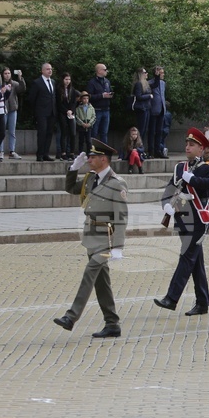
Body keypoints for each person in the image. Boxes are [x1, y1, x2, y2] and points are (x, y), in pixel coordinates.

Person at [53, 140, 128, 338]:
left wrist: (118, 246)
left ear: (103, 159)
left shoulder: (117, 183)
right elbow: (71, 188)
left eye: (93, 157)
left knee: (90, 272)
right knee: (101, 282)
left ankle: (71, 316)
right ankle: (112, 323)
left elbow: (121, 217)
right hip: (91, 235)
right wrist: (72, 169)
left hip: (107, 238)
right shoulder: (90, 178)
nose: (89, 160)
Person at [153, 128, 209, 316]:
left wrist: (194, 179)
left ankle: (172, 298)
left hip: (199, 221)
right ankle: (202, 302)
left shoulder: (207, 167)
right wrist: (166, 206)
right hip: (183, 220)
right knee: (195, 261)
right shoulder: (179, 168)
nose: (187, 147)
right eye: (186, 144)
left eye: (192, 145)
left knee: (186, 257)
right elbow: (169, 190)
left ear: (201, 149)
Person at [28, 62, 56, 161]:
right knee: (42, 133)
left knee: (49, 133)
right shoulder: (37, 82)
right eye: (48, 69)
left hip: (51, 112)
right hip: (41, 113)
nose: (50, 71)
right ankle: (39, 154)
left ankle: (45, 154)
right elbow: (32, 98)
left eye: (51, 69)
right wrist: (36, 112)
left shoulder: (52, 82)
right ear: (43, 70)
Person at [86, 63, 113, 143]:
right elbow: (89, 97)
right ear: (99, 71)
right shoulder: (92, 82)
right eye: (104, 70)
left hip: (106, 109)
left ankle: (104, 152)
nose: (106, 71)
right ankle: (93, 151)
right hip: (96, 110)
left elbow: (110, 90)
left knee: (104, 132)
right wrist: (101, 96)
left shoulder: (107, 81)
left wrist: (110, 95)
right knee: (94, 132)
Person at [55, 72, 79, 160]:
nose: (67, 81)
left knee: (72, 133)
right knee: (63, 132)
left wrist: (71, 111)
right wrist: (66, 111)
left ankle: (71, 152)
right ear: (62, 80)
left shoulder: (72, 90)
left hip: (71, 113)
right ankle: (63, 152)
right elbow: (59, 103)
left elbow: (74, 102)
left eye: (69, 79)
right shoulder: (58, 89)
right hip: (62, 113)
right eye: (66, 79)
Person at [148, 66, 168, 158]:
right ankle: (151, 151)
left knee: (159, 131)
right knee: (152, 131)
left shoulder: (163, 83)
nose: (163, 74)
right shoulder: (150, 83)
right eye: (161, 73)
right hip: (153, 109)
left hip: (161, 109)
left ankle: (158, 150)